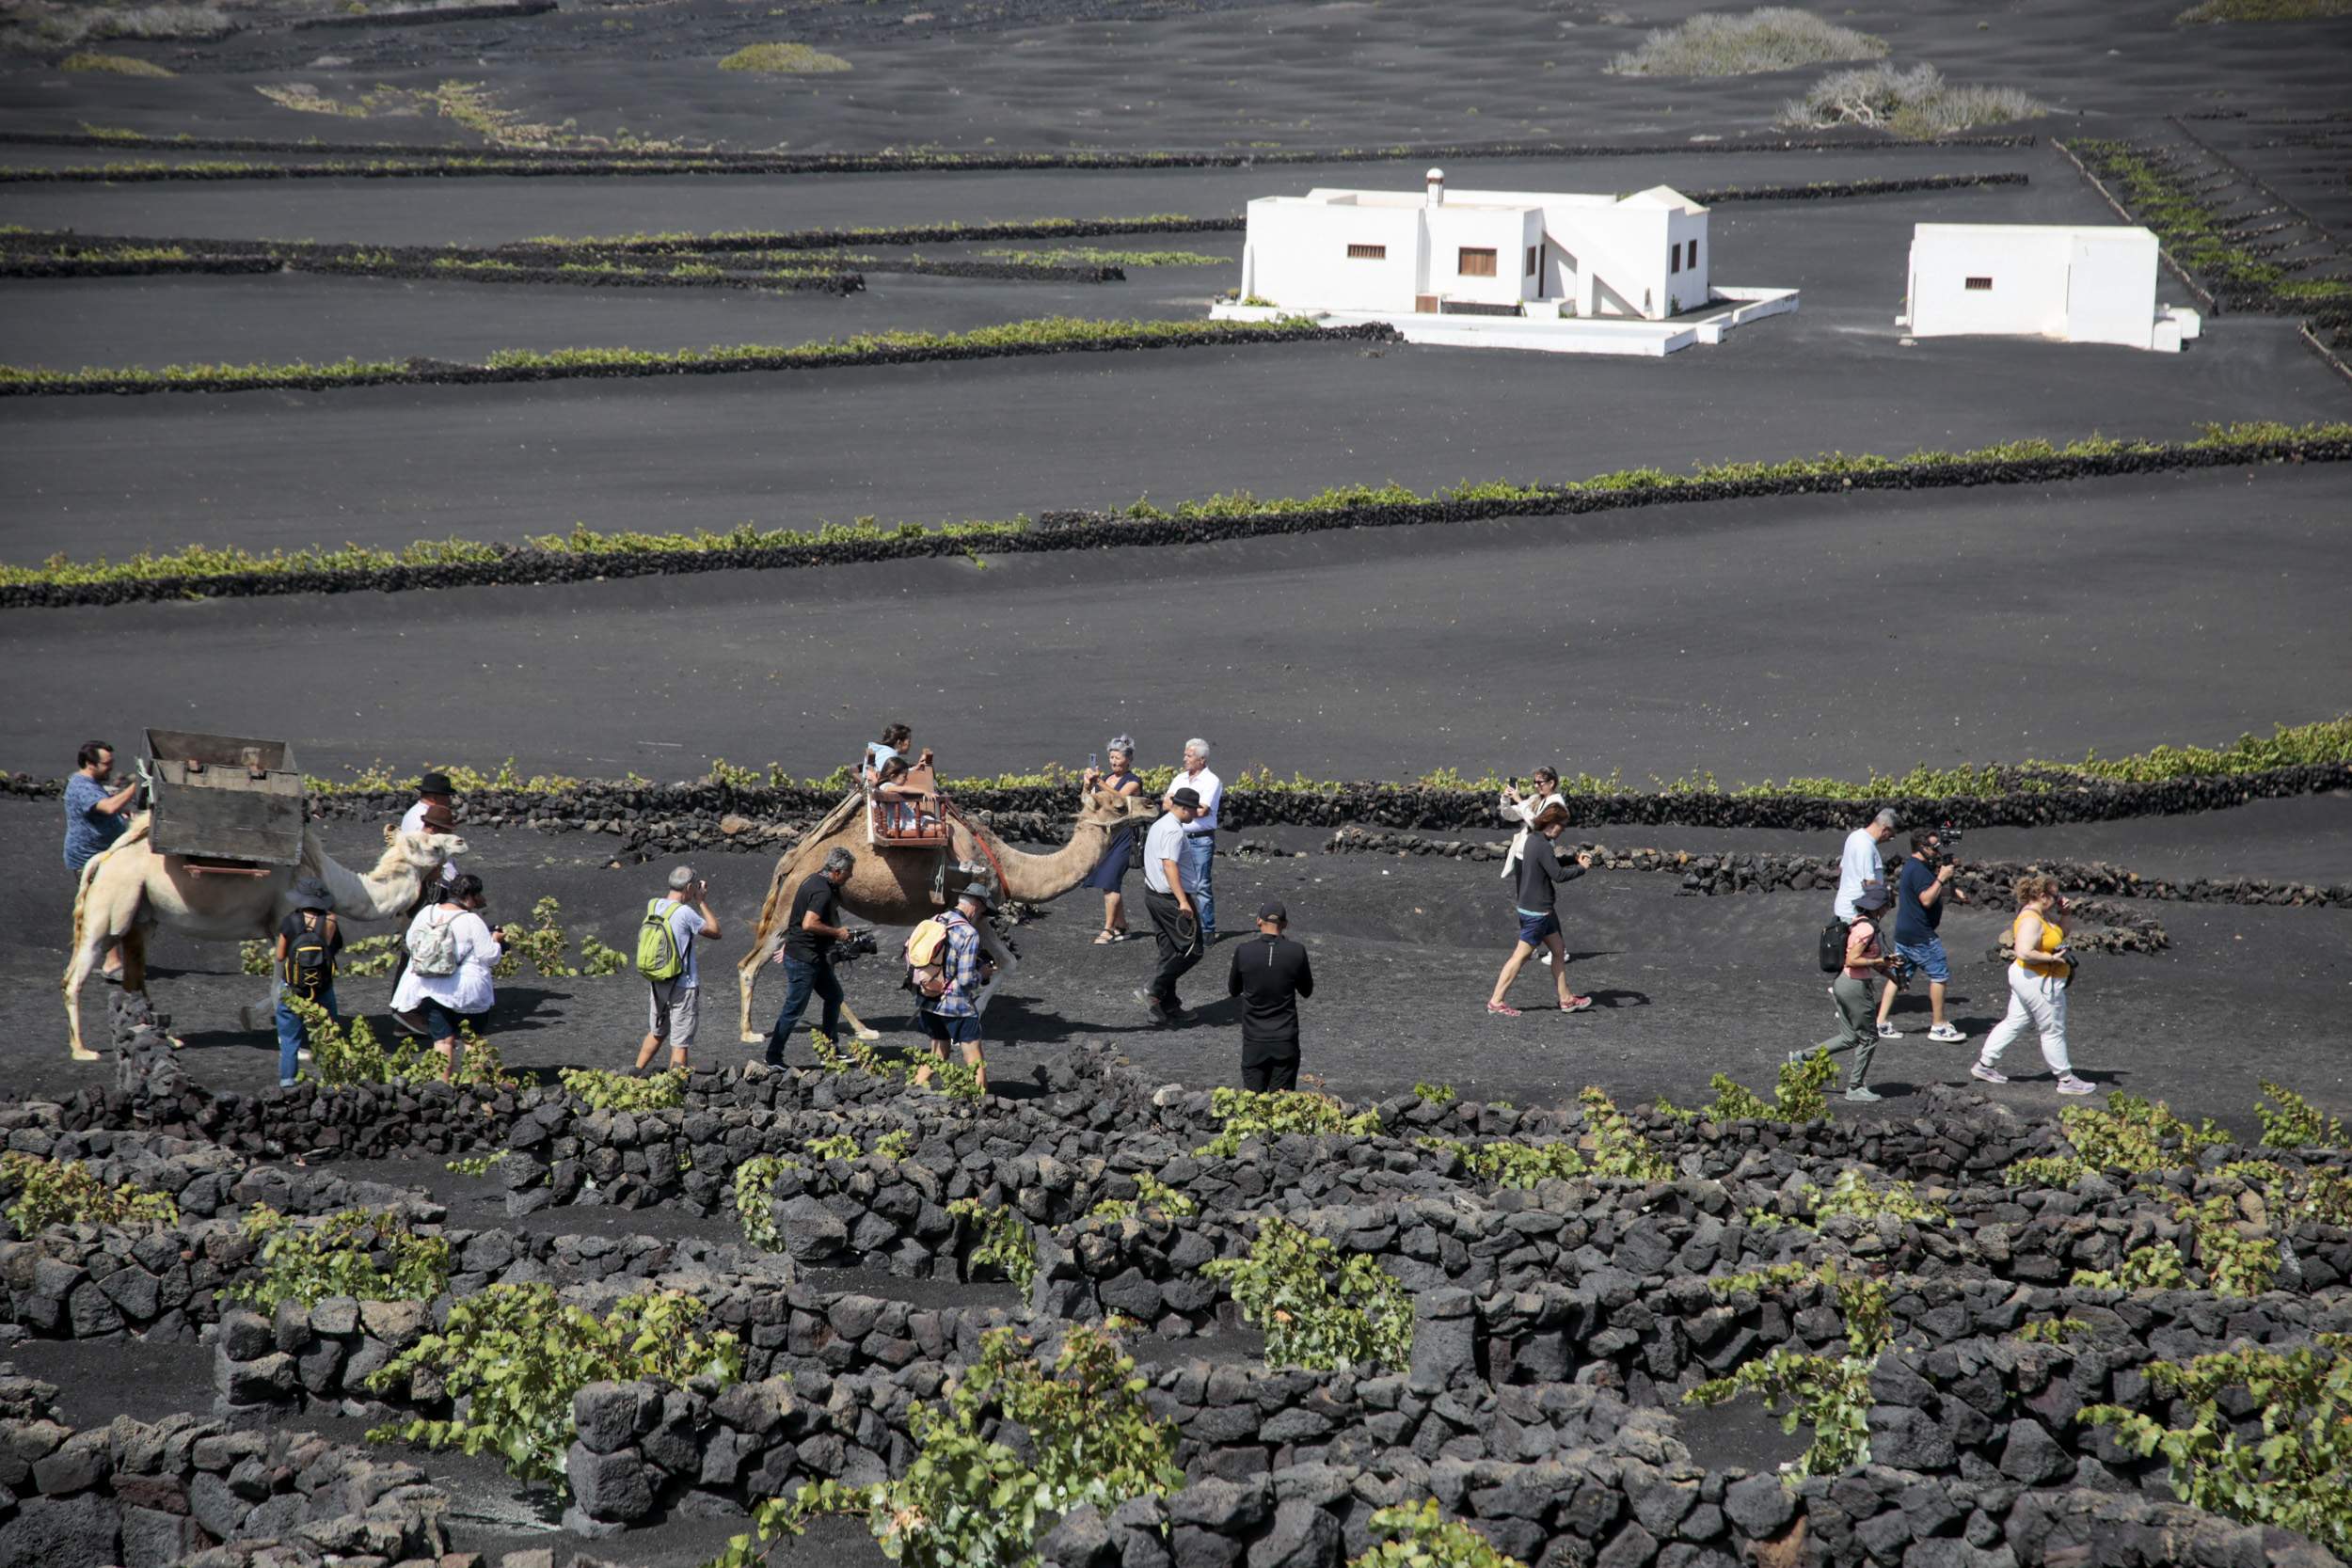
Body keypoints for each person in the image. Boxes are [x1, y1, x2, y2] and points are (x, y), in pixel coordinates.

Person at [1974, 876, 2093, 1095]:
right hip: (2038, 980)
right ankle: (2066, 1080)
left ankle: (1984, 1065)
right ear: (2042, 895)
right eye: (2056, 896)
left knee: (2015, 1022)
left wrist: (2066, 914)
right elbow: (2024, 951)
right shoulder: (2031, 919)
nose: (2059, 899)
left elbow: (2062, 933)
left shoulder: (2042, 915)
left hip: (2028, 977)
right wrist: (2052, 959)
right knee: (2052, 1029)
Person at [390, 873, 511, 1081]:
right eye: (478, 894)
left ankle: (442, 1091)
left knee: (443, 1042)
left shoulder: (426, 913)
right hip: (465, 990)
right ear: (470, 895)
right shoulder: (471, 920)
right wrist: (496, 940)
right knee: (473, 1041)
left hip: (429, 987)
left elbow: (411, 943)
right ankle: (478, 1091)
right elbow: (488, 956)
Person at [1487, 803, 1594, 1017]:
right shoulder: (1543, 845)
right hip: (1538, 912)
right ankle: (1496, 1001)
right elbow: (1558, 875)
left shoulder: (1533, 840)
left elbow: (1549, 863)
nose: (1562, 831)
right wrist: (1581, 869)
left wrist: (1571, 858)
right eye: (1562, 827)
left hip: (1535, 908)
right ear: (1552, 824)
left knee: (1557, 950)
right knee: (1520, 957)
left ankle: (1566, 999)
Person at [1876, 829, 1968, 1044]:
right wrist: (1942, 878)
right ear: (1921, 848)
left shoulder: (1915, 867)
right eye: (1934, 847)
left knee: (1899, 975)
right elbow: (1926, 899)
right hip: (1920, 935)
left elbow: (1926, 893)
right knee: (1939, 974)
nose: (1938, 851)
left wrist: (1951, 892)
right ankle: (1938, 1025)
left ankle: (1880, 1022)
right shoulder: (1917, 870)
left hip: (1906, 932)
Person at [767, 847, 856, 1065]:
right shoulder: (822, 891)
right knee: (794, 1009)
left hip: (811, 956)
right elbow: (809, 923)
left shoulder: (813, 880)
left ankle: (829, 1052)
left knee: (834, 997)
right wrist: (838, 933)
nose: (850, 876)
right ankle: (773, 1057)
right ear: (836, 871)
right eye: (848, 872)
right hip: (803, 959)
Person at [1817, 880, 1900, 1102]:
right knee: (1869, 1038)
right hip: (1855, 985)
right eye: (1887, 905)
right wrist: (1882, 959)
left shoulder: (1859, 923)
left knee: (1849, 1037)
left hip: (1843, 982)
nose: (1888, 909)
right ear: (1878, 906)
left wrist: (1892, 976)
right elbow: (1854, 959)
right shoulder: (1867, 928)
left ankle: (1801, 1058)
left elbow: (1869, 960)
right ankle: (1854, 1088)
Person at [63, 741, 139, 981]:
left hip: (100, 854)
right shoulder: (80, 785)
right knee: (106, 908)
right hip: (89, 858)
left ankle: (109, 961)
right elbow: (108, 807)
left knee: (106, 907)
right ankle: (111, 963)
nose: (110, 768)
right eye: (106, 764)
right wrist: (135, 788)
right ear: (89, 764)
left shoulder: (91, 783)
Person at [636, 864, 721, 1074]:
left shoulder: (653, 905)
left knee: (657, 1031)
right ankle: (675, 1086)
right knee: (680, 1041)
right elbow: (715, 931)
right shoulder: (685, 913)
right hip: (683, 985)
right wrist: (701, 901)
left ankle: (636, 1072)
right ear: (690, 887)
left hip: (658, 979)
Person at [1136, 786, 1208, 1025]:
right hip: (1170, 898)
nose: (1196, 814)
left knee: (1170, 952)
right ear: (1184, 808)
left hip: (1153, 894)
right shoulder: (1174, 832)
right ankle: (1153, 991)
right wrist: (1183, 901)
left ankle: (1169, 1005)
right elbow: (1170, 865)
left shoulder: (1159, 824)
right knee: (1192, 949)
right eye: (1194, 810)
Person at [914, 885, 996, 1091]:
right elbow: (966, 979)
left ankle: (914, 1090)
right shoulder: (969, 933)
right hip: (956, 1006)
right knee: (974, 1055)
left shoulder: (935, 920)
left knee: (939, 1050)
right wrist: (983, 974)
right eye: (982, 913)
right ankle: (980, 1101)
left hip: (928, 999)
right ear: (976, 907)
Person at [1228, 899, 1314, 1091]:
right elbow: (1306, 991)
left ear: (1259, 921)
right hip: (1285, 1039)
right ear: (1284, 925)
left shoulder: (1244, 951)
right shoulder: (1296, 951)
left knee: (1252, 1104)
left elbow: (1233, 990)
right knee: (1282, 1106)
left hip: (1254, 1040)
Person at [273, 878, 342, 1088]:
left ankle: (287, 1080)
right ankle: (331, 1078)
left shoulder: (290, 921)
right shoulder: (330, 920)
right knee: (329, 1031)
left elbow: (280, 956)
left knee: (289, 1038)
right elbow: (330, 949)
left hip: (293, 987)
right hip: (322, 986)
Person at [1500, 765, 1569, 969]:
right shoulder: (1535, 799)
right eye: (1535, 782)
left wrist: (1520, 801)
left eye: (1540, 782)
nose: (1537, 786)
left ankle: (1560, 949)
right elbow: (1510, 815)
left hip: (1540, 854)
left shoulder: (1556, 803)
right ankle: (1529, 946)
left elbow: (1536, 824)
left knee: (1543, 902)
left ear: (1552, 783)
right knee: (1524, 901)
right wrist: (1506, 799)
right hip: (1523, 854)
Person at [1083, 736, 1146, 943]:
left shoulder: (1133, 781)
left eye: (1118, 758)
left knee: (1111, 880)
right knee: (1108, 882)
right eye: (1111, 757)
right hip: (1106, 836)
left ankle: (1108, 930)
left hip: (1124, 836)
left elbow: (1120, 798)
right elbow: (1089, 801)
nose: (1114, 762)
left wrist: (1099, 782)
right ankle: (1122, 926)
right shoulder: (1107, 778)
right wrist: (1087, 786)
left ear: (1129, 759)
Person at [1164, 738, 1223, 941]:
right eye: (1185, 755)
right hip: (1178, 836)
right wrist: (1188, 809)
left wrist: (1177, 806)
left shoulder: (1211, 781)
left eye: (1189, 756)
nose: (1185, 759)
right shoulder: (1180, 778)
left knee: (1201, 885)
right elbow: (1165, 804)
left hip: (1200, 839)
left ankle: (1207, 930)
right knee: (1176, 883)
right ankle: (1185, 927)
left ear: (1202, 759)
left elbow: (1203, 810)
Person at [1834, 808, 1898, 922]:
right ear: (1885, 830)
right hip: (1855, 913)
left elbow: (1842, 867)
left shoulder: (1854, 836)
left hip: (1845, 907)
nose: (1889, 840)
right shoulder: (1866, 846)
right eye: (1891, 836)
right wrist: (1887, 891)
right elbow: (1869, 883)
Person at [400, 770, 461, 882]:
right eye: (446, 796)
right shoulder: (431, 818)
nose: (449, 800)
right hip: (429, 880)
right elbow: (435, 853)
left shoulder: (413, 812)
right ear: (434, 797)